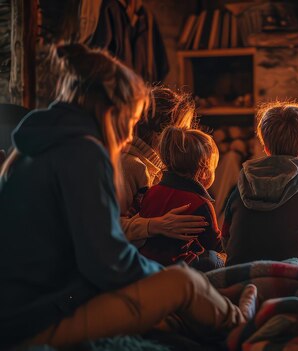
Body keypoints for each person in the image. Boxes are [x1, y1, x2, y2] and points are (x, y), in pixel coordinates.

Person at [0, 44, 249, 349]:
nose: (130, 135)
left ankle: (216, 315)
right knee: (184, 282)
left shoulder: (30, 148)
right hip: (37, 320)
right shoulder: (83, 153)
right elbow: (108, 263)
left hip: (23, 308)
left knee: (175, 302)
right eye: (131, 121)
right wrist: (162, 279)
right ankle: (247, 330)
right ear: (113, 111)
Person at [222, 101, 298, 278]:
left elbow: (226, 240)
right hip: (292, 279)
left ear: (266, 148)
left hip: (241, 276)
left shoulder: (241, 188)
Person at [120, 86, 208, 244]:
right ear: (161, 133)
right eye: (182, 131)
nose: (186, 139)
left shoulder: (162, 167)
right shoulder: (128, 165)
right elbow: (106, 227)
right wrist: (155, 225)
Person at [139, 126, 223, 270]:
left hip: (147, 266)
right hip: (179, 269)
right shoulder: (200, 203)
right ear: (204, 170)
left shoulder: (152, 192)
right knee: (214, 258)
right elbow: (214, 244)